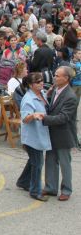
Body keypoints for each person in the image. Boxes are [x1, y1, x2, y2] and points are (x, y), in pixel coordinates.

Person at [41, 66, 78, 201]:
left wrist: (44, 118)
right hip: (52, 132)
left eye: (57, 76)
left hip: (64, 134)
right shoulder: (55, 90)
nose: (54, 77)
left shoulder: (70, 96)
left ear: (66, 78)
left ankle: (66, 190)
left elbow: (64, 118)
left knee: (64, 163)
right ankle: (51, 187)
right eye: (55, 75)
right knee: (50, 160)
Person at [15, 73, 51, 201]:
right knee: (38, 163)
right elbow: (24, 118)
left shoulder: (41, 94)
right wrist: (33, 115)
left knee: (33, 160)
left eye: (42, 80)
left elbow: (46, 99)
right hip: (32, 137)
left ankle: (23, 181)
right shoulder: (28, 99)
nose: (41, 83)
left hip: (39, 134)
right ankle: (35, 191)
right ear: (30, 85)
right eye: (38, 82)